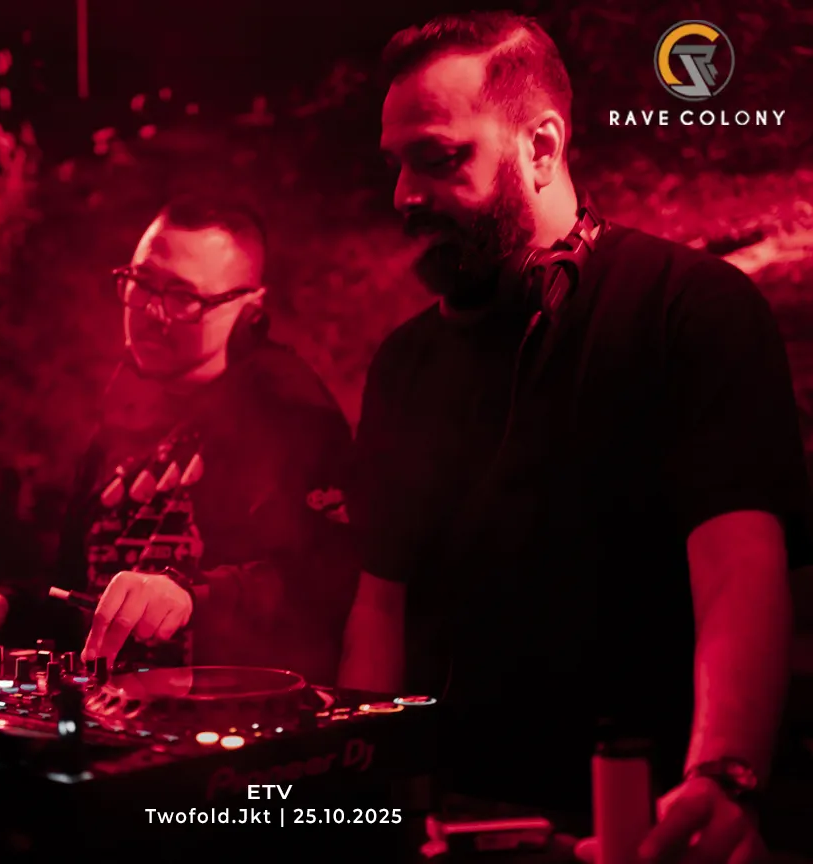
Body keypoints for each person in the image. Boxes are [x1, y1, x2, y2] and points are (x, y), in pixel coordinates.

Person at [338, 11, 809, 863]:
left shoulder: (691, 309)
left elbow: (739, 567)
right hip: (447, 821)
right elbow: (381, 602)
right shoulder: (404, 362)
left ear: (542, 147)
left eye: (439, 159)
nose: (404, 195)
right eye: (395, 164)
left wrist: (724, 775)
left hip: (643, 822)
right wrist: (358, 788)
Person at [0, 195, 357, 685]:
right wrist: (1, 607)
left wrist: (192, 596)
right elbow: (81, 593)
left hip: (228, 711)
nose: (150, 311)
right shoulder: (126, 407)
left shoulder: (290, 409)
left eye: (183, 297)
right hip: (110, 706)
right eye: (141, 283)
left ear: (251, 309)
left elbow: (322, 580)